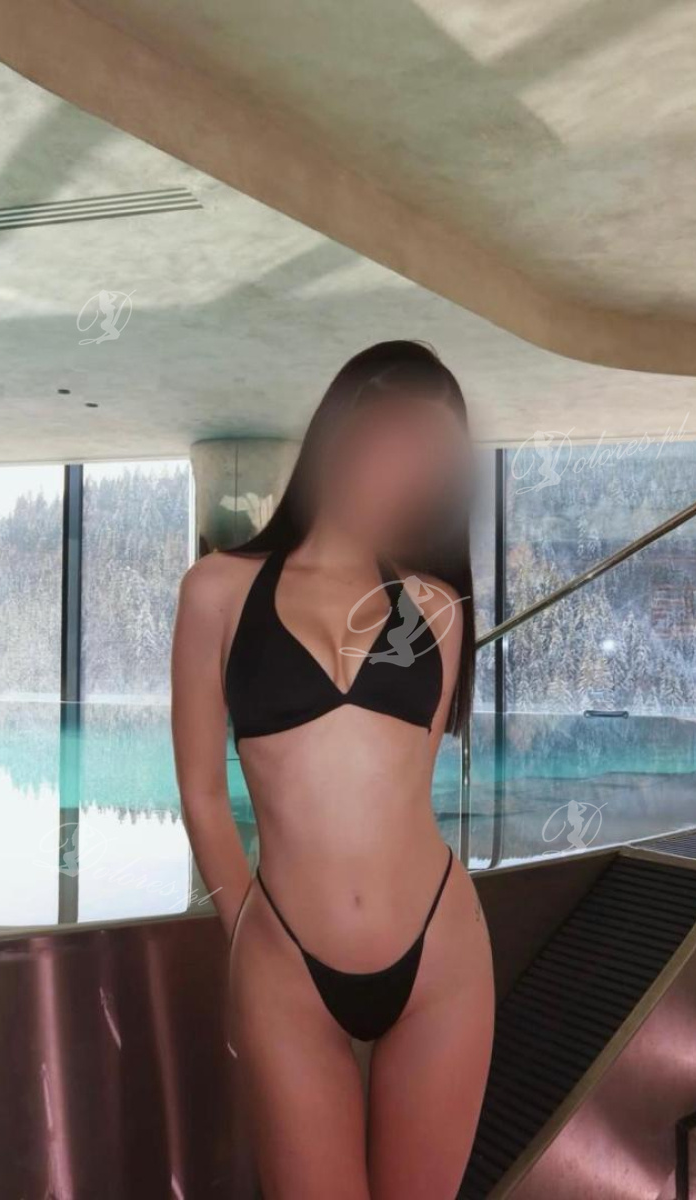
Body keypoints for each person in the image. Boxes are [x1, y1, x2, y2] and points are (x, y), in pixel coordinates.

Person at [171, 341, 495, 1199]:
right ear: (338, 431)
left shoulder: (436, 604)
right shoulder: (217, 590)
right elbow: (201, 794)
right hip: (286, 966)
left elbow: (408, 788)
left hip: (439, 955)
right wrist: (251, 933)